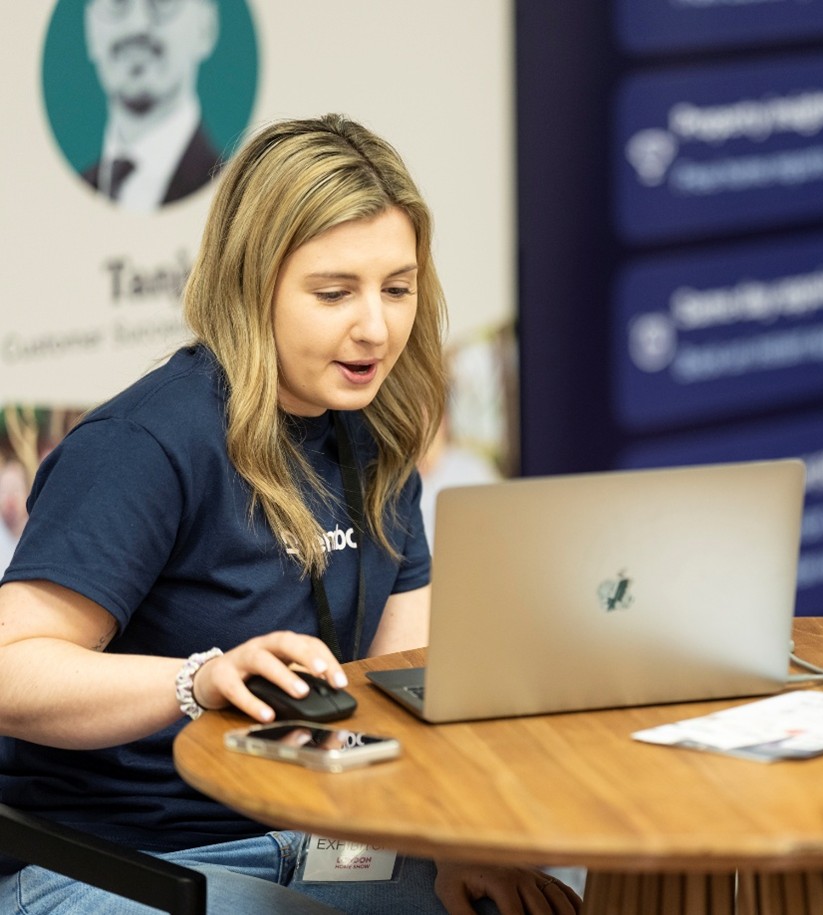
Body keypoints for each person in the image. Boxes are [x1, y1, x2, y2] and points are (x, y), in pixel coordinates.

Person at [0, 114, 581, 915]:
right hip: (112, 861)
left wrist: (454, 844)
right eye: (334, 293)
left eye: (398, 288)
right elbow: (11, 667)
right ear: (251, 286)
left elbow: (397, 687)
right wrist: (196, 679)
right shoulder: (144, 444)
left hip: (320, 837)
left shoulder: (376, 439)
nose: (375, 327)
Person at [81, 0, 224, 210]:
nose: (136, 24)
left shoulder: (234, 195)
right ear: (90, 28)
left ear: (205, 28)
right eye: (117, 2)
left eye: (163, 3)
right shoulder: (65, 195)